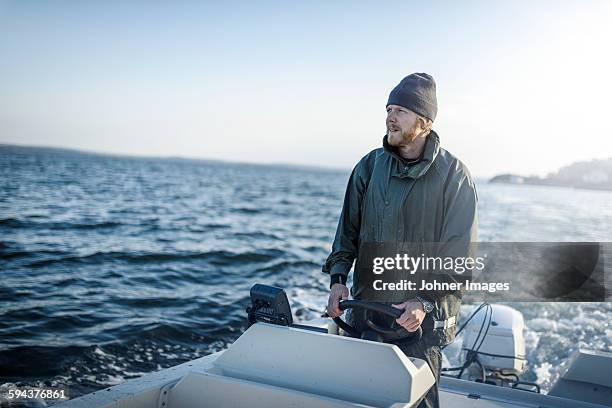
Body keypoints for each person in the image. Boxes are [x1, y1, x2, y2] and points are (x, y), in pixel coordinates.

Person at [323, 73, 478, 408]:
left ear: (424, 121)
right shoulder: (368, 167)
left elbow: (459, 258)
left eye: (400, 111)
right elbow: (345, 234)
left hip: (421, 323)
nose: (390, 117)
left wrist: (423, 302)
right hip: (366, 313)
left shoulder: (455, 176)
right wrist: (338, 281)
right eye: (388, 109)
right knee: (362, 399)